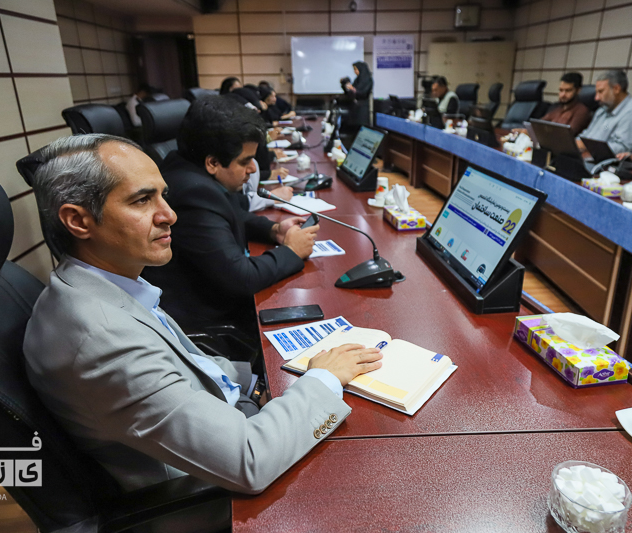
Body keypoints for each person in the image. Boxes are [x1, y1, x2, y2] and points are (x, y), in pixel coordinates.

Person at [23, 134, 383, 519]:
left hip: (226, 424)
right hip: (209, 498)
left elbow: (189, 364)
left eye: (163, 195)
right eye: (142, 200)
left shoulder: (102, 283)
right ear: (78, 221)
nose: (169, 215)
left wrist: (256, 383)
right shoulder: (102, 339)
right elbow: (249, 460)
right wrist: (323, 379)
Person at [140, 96, 316, 336]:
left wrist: (273, 230)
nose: (253, 168)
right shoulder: (194, 193)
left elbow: (233, 213)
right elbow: (242, 278)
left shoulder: (185, 167)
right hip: (213, 323)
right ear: (213, 162)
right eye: (245, 161)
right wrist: (292, 251)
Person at [577, 70, 632, 154]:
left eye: (600, 92)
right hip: (586, 156)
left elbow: (623, 148)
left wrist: (588, 146)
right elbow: (586, 135)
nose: (596, 98)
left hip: (609, 160)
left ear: (616, 89)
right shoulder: (602, 109)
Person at [342, 61, 374, 129]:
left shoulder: (368, 80)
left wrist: (353, 89)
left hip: (362, 109)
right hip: (354, 108)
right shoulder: (357, 80)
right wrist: (345, 86)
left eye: (356, 69)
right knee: (353, 129)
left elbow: (363, 93)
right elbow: (351, 93)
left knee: (361, 128)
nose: (355, 71)